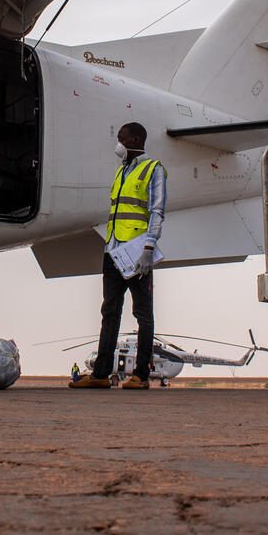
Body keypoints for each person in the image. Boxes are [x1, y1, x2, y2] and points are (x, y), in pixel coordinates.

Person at [69, 122, 166, 390]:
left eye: (121, 138)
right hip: (113, 250)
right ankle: (100, 373)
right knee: (109, 311)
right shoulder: (121, 171)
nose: (118, 143)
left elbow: (157, 211)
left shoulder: (153, 169)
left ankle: (141, 375)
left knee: (142, 314)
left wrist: (148, 248)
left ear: (135, 139)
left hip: (137, 253)